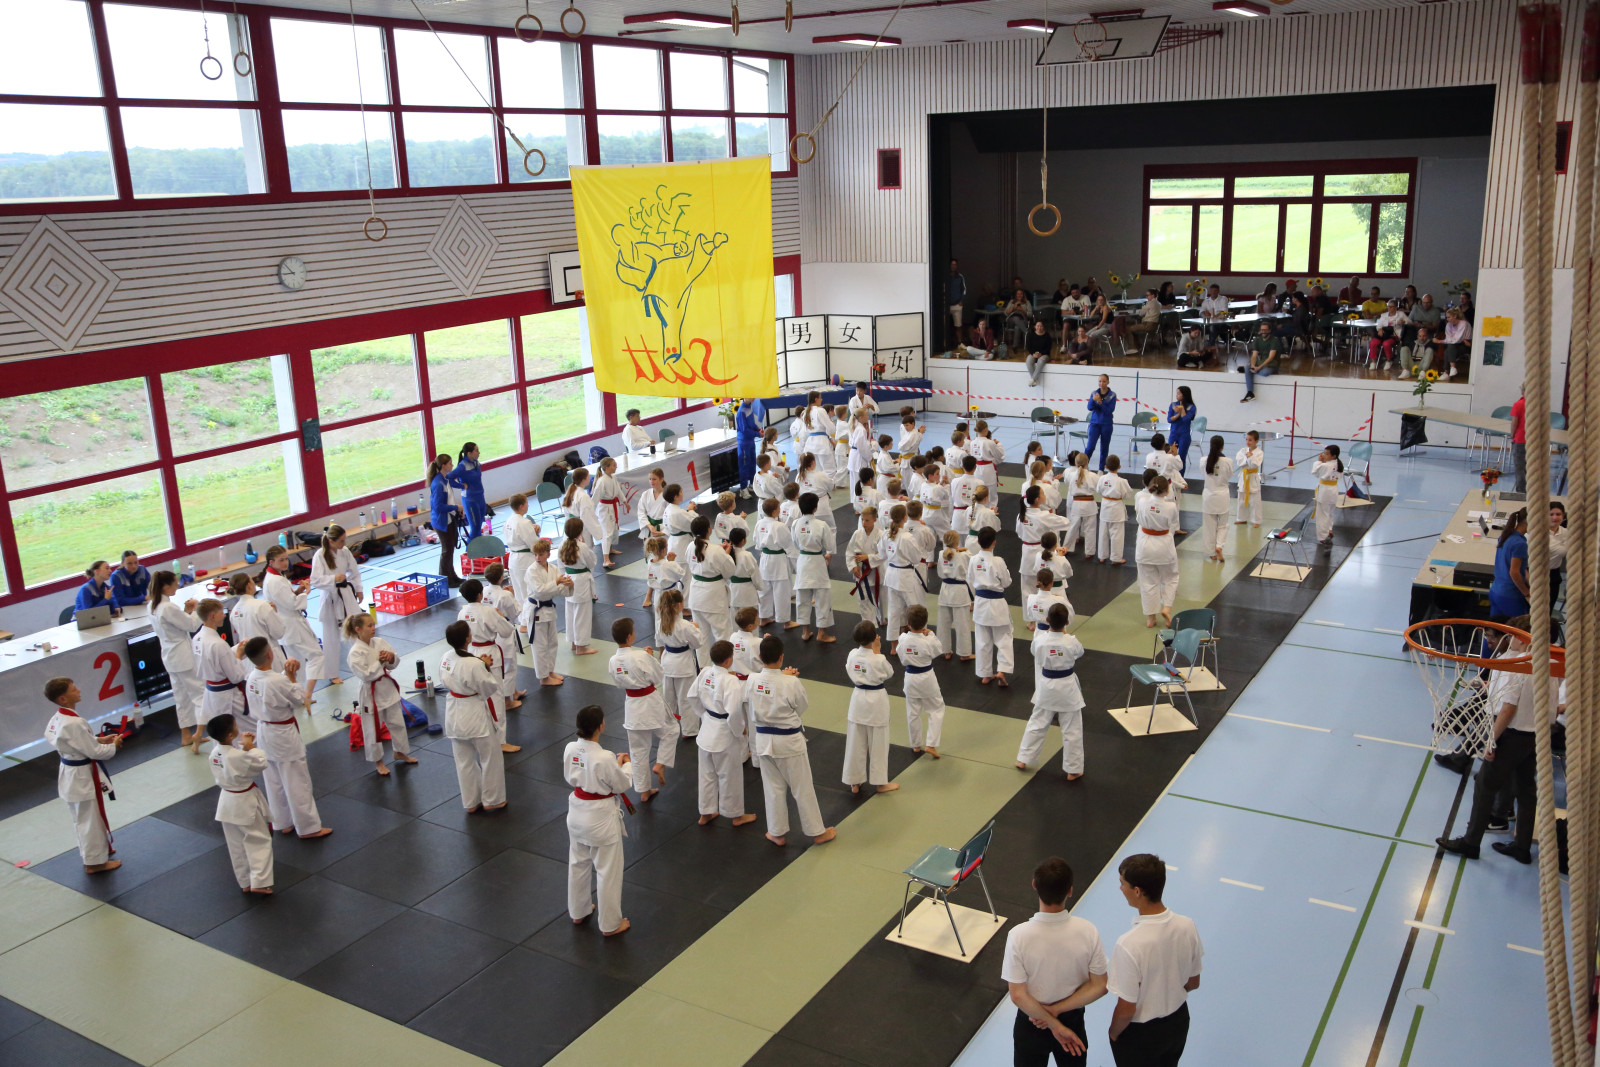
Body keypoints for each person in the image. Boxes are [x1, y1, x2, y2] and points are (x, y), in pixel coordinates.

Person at [1436, 614, 1542, 864]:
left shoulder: (1516, 663)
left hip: (1512, 734)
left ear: (1522, 638)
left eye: (1512, 635)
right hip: (1534, 734)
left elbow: (1508, 708)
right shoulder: (1547, 661)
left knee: (1484, 785)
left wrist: (1491, 740)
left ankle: (1471, 843)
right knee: (1526, 791)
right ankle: (1522, 846)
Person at [1003, 856, 1108, 1067]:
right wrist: (1056, 1014)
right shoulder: (1087, 931)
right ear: (1070, 891)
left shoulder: (1018, 936)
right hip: (1072, 1023)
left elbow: (1018, 994)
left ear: (1034, 885)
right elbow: (1100, 985)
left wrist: (1049, 1021)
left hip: (1031, 1023)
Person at [1107, 854, 1204, 1065]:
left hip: (1141, 1037)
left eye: (1122, 883)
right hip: (1178, 1023)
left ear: (1137, 891)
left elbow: (1126, 1009)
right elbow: (1193, 982)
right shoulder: (1187, 925)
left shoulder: (1128, 944)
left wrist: (1113, 1033)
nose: (1120, 888)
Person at [748, 636, 837, 846]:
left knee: (773, 787)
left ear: (759, 657)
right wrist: (785, 678)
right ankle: (817, 832)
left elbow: (766, 684)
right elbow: (801, 707)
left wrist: (781, 677)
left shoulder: (751, 680)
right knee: (802, 787)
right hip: (788, 741)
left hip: (763, 741)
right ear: (781, 657)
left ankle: (776, 832)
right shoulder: (791, 682)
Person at [242, 637, 329, 839]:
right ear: (270, 654)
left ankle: (283, 822)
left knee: (274, 780)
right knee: (297, 781)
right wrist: (292, 678)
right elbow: (299, 700)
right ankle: (308, 828)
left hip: (264, 731)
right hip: (283, 734)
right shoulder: (277, 680)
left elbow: (273, 687)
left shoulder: (251, 677)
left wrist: (286, 675)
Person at [565, 704, 634, 936]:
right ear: (600, 726)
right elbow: (621, 784)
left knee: (578, 863)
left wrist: (613, 767)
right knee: (607, 871)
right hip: (600, 817)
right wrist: (626, 765)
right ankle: (610, 924)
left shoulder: (570, 748)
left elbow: (579, 772)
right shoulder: (604, 757)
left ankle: (578, 911)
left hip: (576, 811)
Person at [44, 677, 124, 873]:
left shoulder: (58, 718)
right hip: (80, 775)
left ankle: (96, 854)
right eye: (73, 689)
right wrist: (113, 746)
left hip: (70, 771)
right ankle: (95, 863)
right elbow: (94, 752)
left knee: (83, 818)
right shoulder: (74, 722)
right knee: (89, 820)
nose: (79, 690)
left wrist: (98, 739)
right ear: (63, 699)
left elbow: (70, 741)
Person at [440, 620, 507, 813]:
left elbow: (446, 679)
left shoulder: (446, 657)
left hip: (453, 712)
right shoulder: (474, 664)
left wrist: (480, 664)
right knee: (490, 757)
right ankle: (492, 800)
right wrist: (485, 666)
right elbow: (489, 687)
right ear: (468, 638)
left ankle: (471, 802)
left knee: (463, 761)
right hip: (474, 714)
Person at [205, 713, 275, 895]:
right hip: (244, 802)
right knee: (259, 839)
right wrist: (251, 748)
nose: (238, 728)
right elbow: (260, 763)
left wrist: (244, 749)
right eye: (235, 726)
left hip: (226, 802)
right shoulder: (236, 755)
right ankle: (259, 882)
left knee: (236, 844)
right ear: (230, 735)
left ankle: (244, 881)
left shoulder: (215, 753)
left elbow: (236, 765)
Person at [1017, 604, 1087, 779]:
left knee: (1037, 723)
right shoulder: (1071, 641)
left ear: (1047, 620)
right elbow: (1080, 653)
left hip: (1046, 687)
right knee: (1072, 730)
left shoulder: (1039, 640)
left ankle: (1023, 759)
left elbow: (1034, 653)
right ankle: (1073, 769)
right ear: (1067, 622)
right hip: (1067, 688)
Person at [608, 617, 673, 803]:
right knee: (671, 730)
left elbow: (618, 682)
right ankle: (661, 763)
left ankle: (644, 791)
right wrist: (649, 657)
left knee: (637, 751)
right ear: (630, 637)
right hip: (650, 702)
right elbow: (658, 676)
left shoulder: (613, 660)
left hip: (632, 706)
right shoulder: (641, 656)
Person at [694, 641, 757, 827]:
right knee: (730, 775)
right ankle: (736, 815)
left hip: (706, 731)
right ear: (729, 660)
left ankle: (705, 812)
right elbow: (734, 712)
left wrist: (704, 715)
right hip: (724, 734)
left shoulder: (704, 672)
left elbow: (692, 696)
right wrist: (740, 730)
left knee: (706, 774)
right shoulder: (731, 681)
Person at [345, 612, 414, 775]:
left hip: (387, 688)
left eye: (373, 624)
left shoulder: (379, 642)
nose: (373, 628)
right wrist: (379, 662)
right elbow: (366, 675)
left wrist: (390, 658)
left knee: (397, 723)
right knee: (372, 729)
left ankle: (400, 751)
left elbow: (394, 663)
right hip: (371, 693)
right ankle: (379, 761)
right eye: (369, 625)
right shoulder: (355, 653)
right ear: (358, 629)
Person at [260, 545, 321, 707]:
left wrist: (298, 590)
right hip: (292, 625)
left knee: (295, 663)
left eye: (286, 559)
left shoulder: (274, 578)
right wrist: (305, 592)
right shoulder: (275, 581)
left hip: (286, 625)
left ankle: (296, 696)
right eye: (281, 560)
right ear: (271, 562)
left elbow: (286, 600)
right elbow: (293, 604)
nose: (285, 562)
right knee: (316, 656)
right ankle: (306, 695)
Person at [148, 571, 203, 748]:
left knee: (181, 697)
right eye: (175, 583)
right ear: (165, 586)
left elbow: (176, 625)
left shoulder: (152, 606)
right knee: (199, 693)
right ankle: (201, 732)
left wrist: (186, 612)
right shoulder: (167, 607)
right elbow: (192, 625)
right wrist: (197, 609)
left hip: (170, 656)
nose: (177, 585)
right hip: (182, 655)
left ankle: (186, 735)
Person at [842, 621, 899, 795]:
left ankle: (854, 781)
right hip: (876, 702)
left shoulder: (852, 655)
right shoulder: (878, 659)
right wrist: (877, 651)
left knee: (855, 742)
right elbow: (889, 673)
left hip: (858, 700)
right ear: (875, 638)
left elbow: (849, 667)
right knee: (879, 743)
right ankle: (880, 783)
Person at [458, 577, 519, 721]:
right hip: (489, 654)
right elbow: (506, 631)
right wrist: (502, 617)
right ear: (480, 595)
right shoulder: (489, 612)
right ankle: (499, 733)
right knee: (495, 693)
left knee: (478, 691)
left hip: (470, 652)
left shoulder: (462, 612)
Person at [309, 525, 361, 686]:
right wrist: (333, 579)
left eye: (345, 540)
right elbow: (314, 580)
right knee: (331, 638)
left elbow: (354, 571)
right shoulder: (320, 555)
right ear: (331, 541)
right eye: (341, 541)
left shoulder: (344, 551)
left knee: (357, 630)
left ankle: (365, 662)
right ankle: (332, 673)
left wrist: (359, 589)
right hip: (330, 597)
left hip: (346, 594)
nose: (344, 544)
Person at [194, 598, 248, 740]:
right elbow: (236, 676)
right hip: (228, 696)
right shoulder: (218, 644)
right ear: (212, 616)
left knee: (221, 733)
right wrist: (238, 655)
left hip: (212, 692)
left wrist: (235, 650)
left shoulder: (197, 638)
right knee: (245, 730)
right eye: (221, 612)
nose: (224, 615)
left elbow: (215, 659)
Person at [655, 588, 706, 738]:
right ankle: (689, 730)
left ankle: (668, 726)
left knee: (668, 698)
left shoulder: (660, 623)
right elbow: (698, 643)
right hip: (683, 664)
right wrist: (696, 628)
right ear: (679, 605)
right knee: (685, 699)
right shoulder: (685, 625)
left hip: (667, 662)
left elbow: (659, 641)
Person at [969, 526, 1014, 687]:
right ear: (994, 542)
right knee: (1004, 637)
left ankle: (985, 674)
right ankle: (1002, 670)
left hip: (980, 603)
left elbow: (970, 579)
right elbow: (1007, 583)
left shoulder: (973, 559)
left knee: (982, 640)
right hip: (997, 604)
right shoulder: (998, 561)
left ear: (978, 542)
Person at [522, 538, 569, 687]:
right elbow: (540, 590)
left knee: (552, 642)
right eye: (535, 554)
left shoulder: (554, 569)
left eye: (541, 554)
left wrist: (569, 585)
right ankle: (543, 677)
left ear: (548, 554)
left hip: (548, 609)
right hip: (536, 610)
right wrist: (557, 582)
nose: (537, 558)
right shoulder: (532, 571)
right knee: (540, 645)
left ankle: (549, 671)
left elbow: (560, 591)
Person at [792, 492, 837, 643]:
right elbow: (829, 546)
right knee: (822, 598)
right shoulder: (822, 525)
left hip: (802, 561)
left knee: (802, 598)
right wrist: (827, 555)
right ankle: (821, 633)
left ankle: (805, 632)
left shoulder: (795, 524)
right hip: (817, 561)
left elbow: (795, 543)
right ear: (815, 508)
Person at [1135, 476, 1179, 628]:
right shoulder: (1171, 506)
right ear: (1167, 490)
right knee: (1171, 578)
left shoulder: (1142, 501)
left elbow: (1139, 517)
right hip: (1163, 545)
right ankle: (1167, 607)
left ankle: (1151, 618)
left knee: (1147, 582)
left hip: (1144, 545)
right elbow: (1173, 523)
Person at [687, 515, 735, 645]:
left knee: (701, 635)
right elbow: (729, 571)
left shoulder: (690, 546)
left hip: (696, 594)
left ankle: (703, 660)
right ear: (709, 530)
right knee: (723, 634)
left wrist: (719, 551)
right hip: (714, 597)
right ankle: (725, 659)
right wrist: (725, 555)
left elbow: (703, 556)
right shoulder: (716, 551)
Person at [228, 573, 283, 672]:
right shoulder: (261, 605)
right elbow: (278, 633)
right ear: (248, 585)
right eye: (252, 580)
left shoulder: (234, 612)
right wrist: (274, 613)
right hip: (268, 656)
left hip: (250, 660)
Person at [755, 497, 796, 627]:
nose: (780, 510)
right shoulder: (780, 526)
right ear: (774, 511)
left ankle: (763, 618)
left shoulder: (759, 523)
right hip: (778, 560)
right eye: (778, 508)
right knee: (781, 591)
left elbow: (756, 540)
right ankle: (786, 621)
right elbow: (787, 542)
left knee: (764, 590)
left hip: (764, 558)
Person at [936, 530, 973, 662]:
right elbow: (971, 559)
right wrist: (964, 549)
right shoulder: (964, 555)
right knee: (962, 624)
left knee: (943, 623)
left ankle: (945, 650)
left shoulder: (941, 554)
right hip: (959, 592)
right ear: (957, 542)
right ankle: (964, 653)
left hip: (945, 589)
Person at [1488, 508, 1531, 619]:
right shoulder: (1520, 544)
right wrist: (1526, 593)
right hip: (1510, 595)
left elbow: (1520, 568)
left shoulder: (1505, 536)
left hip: (1496, 591)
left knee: (1495, 627)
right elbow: (1514, 572)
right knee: (1517, 627)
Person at [503, 493, 542, 607]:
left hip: (513, 559)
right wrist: (536, 533)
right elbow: (534, 544)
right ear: (521, 506)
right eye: (526, 503)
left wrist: (532, 530)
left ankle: (522, 616)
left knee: (519, 592)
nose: (528, 505)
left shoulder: (508, 521)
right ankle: (530, 615)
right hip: (525, 560)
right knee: (528, 591)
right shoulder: (523, 523)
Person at [1199, 437, 1233, 564]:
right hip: (1222, 496)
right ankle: (1219, 546)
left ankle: (1211, 553)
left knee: (1209, 526)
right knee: (1223, 525)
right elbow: (1229, 475)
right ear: (1222, 447)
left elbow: (1203, 473)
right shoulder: (1228, 461)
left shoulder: (1203, 460)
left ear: (1210, 445)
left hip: (1209, 496)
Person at [1062, 454, 1098, 558]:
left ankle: (1066, 548)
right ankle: (1089, 552)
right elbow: (1099, 488)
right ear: (1087, 462)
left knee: (1072, 527)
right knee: (1090, 528)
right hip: (1089, 504)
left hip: (1076, 504)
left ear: (1076, 463)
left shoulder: (1071, 475)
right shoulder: (1092, 476)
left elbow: (1066, 481)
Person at [1097, 456, 1131, 565]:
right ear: (1119, 467)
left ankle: (1102, 556)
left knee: (1103, 533)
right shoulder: (1122, 481)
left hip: (1105, 507)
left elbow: (1098, 490)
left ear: (1105, 467)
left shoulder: (1102, 478)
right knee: (1117, 535)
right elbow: (1127, 495)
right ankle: (1116, 558)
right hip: (1117, 509)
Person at [449, 441, 487, 538]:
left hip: (480, 497)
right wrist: (461, 486)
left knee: (478, 528)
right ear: (469, 453)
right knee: (475, 529)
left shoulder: (476, 463)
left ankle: (478, 547)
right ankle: (469, 547)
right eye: (476, 451)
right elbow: (448, 478)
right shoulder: (462, 466)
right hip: (470, 500)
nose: (479, 452)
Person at [592, 457, 623, 566]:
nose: (616, 467)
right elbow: (595, 498)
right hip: (605, 508)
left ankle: (610, 549)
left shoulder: (613, 477)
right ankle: (605, 559)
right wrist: (591, 511)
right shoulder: (601, 481)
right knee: (607, 532)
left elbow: (618, 491)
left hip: (613, 506)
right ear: (607, 467)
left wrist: (625, 502)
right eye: (614, 465)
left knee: (613, 529)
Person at [1312, 445, 1343, 546]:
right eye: (1324, 453)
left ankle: (1323, 537)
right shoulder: (1338, 464)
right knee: (1330, 512)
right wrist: (1324, 462)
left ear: (1333, 456)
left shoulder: (1325, 466)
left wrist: (1319, 462)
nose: (1324, 455)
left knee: (1322, 515)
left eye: (1326, 454)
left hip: (1325, 491)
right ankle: (1329, 529)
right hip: (1333, 490)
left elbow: (1315, 472)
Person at [1241, 321, 1279, 402]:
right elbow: (1254, 355)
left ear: (1269, 330)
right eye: (1262, 330)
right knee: (1248, 367)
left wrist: (1258, 368)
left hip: (1272, 364)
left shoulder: (1274, 340)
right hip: (1261, 362)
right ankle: (1250, 393)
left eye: (1265, 330)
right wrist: (1253, 365)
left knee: (1265, 372)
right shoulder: (1257, 340)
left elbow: (1270, 358)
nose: (1263, 332)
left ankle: (1249, 372)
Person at [1233, 430, 1264, 528]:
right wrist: (1247, 458)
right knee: (1241, 499)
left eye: (1250, 440)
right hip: (1244, 476)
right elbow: (1239, 462)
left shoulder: (1259, 452)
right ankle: (1241, 519)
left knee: (1255, 501)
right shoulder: (1243, 450)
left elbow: (1255, 464)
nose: (1247, 442)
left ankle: (1256, 520)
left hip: (1253, 476)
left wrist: (1251, 457)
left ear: (1256, 441)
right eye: (1246, 439)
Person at [1085, 375, 1116, 470]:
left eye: (1104, 381)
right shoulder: (1094, 393)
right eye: (1100, 381)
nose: (1101, 383)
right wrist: (1093, 400)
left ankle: (1101, 470)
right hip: (1095, 424)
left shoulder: (1112, 395)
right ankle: (1083, 467)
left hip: (1107, 425)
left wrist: (1100, 403)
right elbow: (1089, 407)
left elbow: (1109, 410)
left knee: (1104, 448)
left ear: (1108, 382)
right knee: (1090, 447)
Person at [1368, 299, 1408, 370]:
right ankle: (1373, 362)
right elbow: (1379, 325)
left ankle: (1389, 360)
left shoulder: (1401, 314)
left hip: (1394, 334)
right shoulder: (1384, 315)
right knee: (1373, 343)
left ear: (1396, 307)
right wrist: (1380, 329)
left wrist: (1402, 322)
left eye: (1391, 307)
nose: (1389, 308)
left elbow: (1409, 322)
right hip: (1383, 334)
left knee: (1386, 344)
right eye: (1388, 306)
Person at [1166, 387, 1196, 475]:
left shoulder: (1191, 407)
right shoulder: (1173, 405)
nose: (1177, 395)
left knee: (1181, 458)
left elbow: (1186, 419)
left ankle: (1180, 478)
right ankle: (1170, 477)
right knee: (1170, 456)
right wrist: (1178, 414)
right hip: (1174, 434)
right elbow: (1169, 419)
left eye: (1179, 393)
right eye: (1177, 393)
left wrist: (1182, 410)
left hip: (1184, 435)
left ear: (1184, 395)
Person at [636, 467, 668, 551]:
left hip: (662, 528)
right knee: (649, 553)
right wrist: (649, 525)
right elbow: (641, 512)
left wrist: (663, 531)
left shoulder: (667, 495)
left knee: (661, 552)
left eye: (654, 479)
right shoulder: (645, 494)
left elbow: (670, 515)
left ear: (661, 479)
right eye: (650, 479)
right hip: (648, 528)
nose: (651, 481)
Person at [735, 397, 761, 495]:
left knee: (752, 463)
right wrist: (758, 434)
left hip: (750, 441)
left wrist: (757, 429)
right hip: (744, 442)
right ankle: (743, 488)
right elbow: (745, 430)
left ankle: (751, 484)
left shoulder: (749, 407)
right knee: (744, 465)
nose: (753, 397)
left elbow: (751, 424)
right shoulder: (741, 411)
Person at [1442, 307, 1472, 379]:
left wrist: (1442, 341)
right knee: (1448, 350)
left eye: (1449, 317)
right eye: (1446, 317)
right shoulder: (1448, 325)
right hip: (1456, 345)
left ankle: (1448, 370)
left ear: (1455, 316)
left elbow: (1458, 339)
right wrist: (1450, 340)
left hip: (1466, 345)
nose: (1447, 319)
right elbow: (1449, 338)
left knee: (1450, 348)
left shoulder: (1464, 324)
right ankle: (1450, 369)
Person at [947, 258, 968, 349]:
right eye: (952, 264)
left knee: (958, 325)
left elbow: (964, 290)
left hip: (957, 304)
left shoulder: (960, 277)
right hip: (947, 305)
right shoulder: (946, 276)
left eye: (955, 264)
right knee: (946, 325)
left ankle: (960, 343)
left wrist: (961, 300)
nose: (953, 266)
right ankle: (946, 343)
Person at [1025, 319, 1054, 386]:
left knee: (1041, 361)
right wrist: (1033, 354)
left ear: (1043, 327)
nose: (1039, 328)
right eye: (1038, 326)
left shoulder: (1047, 336)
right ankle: (1035, 380)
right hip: (1033, 353)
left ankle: (1033, 379)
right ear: (1035, 326)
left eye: (1041, 326)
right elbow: (1028, 346)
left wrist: (1041, 354)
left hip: (1044, 354)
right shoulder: (1030, 334)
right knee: (1028, 361)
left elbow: (1048, 347)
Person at [1509, 391, 1528, 493]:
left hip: (1520, 440)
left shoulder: (1519, 404)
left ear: (1522, 391)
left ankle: (1521, 492)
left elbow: (1514, 423)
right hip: (1534, 441)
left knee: (1520, 468)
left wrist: (1512, 435)